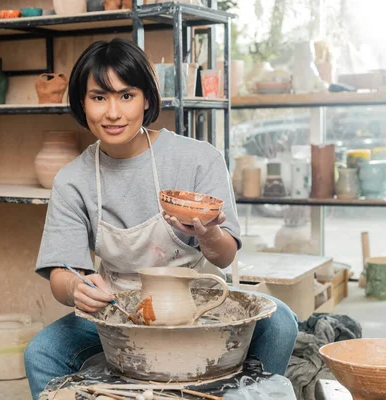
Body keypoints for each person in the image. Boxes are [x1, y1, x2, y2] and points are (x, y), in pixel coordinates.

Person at [24, 38, 298, 399]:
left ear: (147, 99)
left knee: (279, 323)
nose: (113, 113)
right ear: (81, 102)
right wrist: (77, 288)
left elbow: (225, 256)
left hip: (202, 304)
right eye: (99, 97)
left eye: (126, 96)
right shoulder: (72, 180)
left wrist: (209, 233)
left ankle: (235, 393)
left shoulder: (198, 158)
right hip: (119, 309)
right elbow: (62, 274)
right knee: (41, 353)